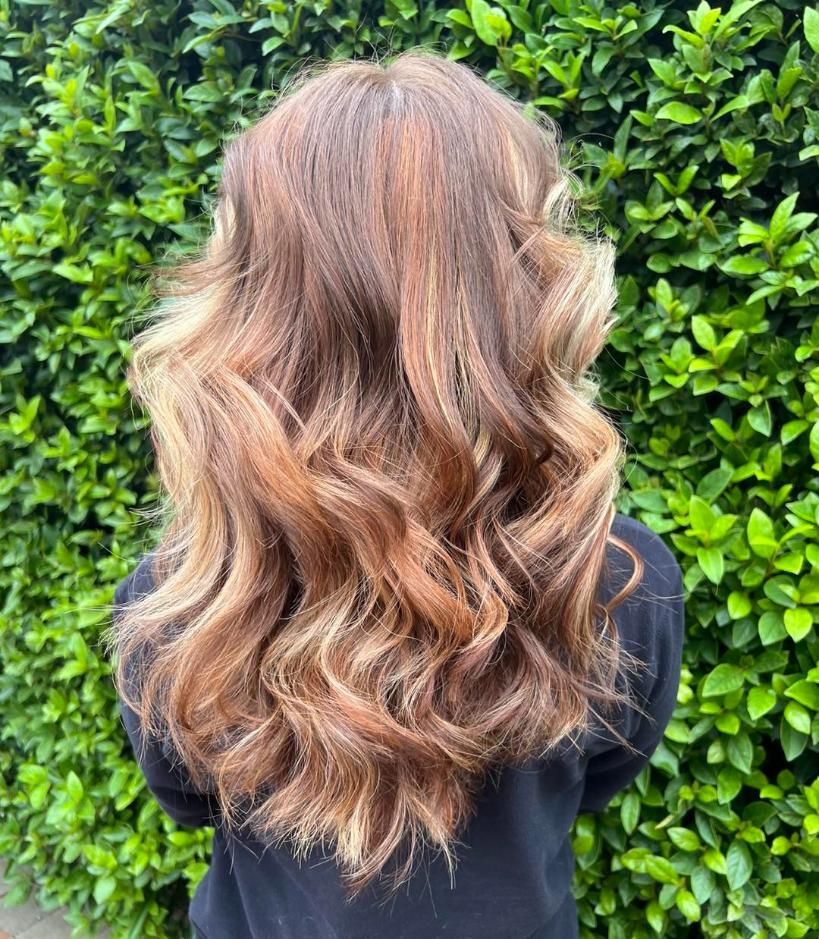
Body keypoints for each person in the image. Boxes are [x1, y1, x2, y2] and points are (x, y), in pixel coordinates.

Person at [106, 48, 685, 939]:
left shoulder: (182, 600)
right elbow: (600, 776)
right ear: (525, 286)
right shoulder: (620, 578)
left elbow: (186, 796)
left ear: (246, 305)